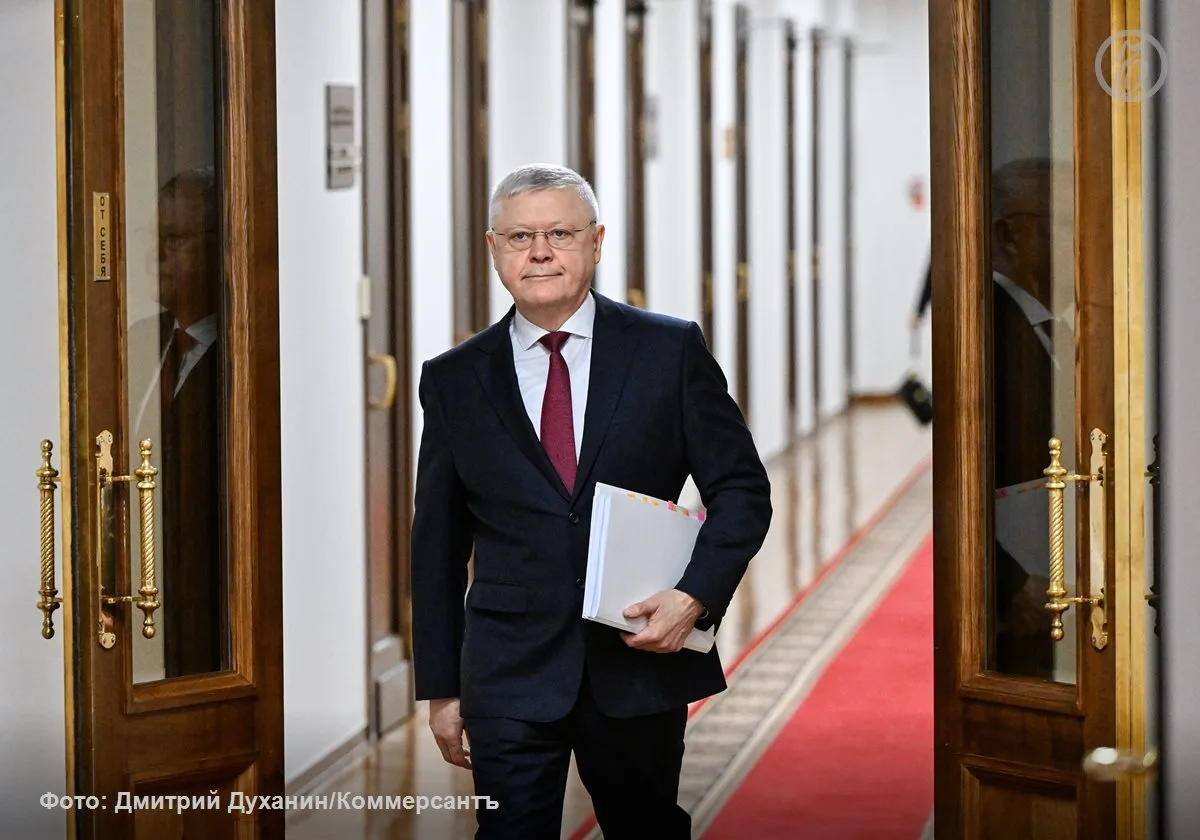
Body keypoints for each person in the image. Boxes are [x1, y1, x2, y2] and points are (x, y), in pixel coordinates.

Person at [410, 163, 773, 839]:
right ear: (493, 248)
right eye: (520, 237)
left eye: (560, 234)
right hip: (508, 670)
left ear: (597, 242)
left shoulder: (668, 351)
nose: (539, 252)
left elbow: (743, 491)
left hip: (638, 658)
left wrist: (694, 597)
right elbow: (436, 546)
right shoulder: (454, 379)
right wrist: (441, 687)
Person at [989, 156, 1074, 677]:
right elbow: (962, 477)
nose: (1080, 240)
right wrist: (1010, 583)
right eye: (1063, 224)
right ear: (1010, 236)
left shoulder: (1045, 319)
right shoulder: (987, 328)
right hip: (1021, 600)